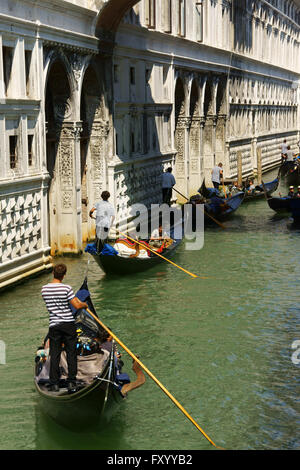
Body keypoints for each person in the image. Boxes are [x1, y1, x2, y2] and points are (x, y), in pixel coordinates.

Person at [41, 264, 88, 393]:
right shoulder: (66, 288)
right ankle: (71, 382)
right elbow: (76, 305)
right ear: (64, 275)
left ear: (53, 273)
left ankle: (54, 384)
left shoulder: (44, 289)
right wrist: (84, 305)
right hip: (68, 324)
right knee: (71, 353)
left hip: (54, 325)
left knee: (54, 354)